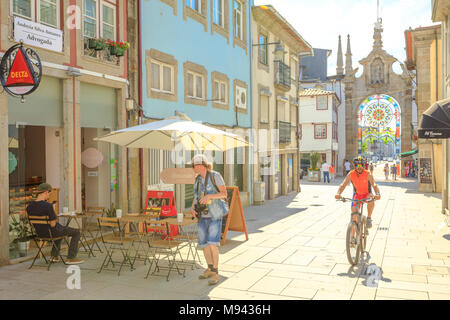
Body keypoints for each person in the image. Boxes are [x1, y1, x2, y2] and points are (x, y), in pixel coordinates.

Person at [190, 154, 229, 286]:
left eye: (195, 165)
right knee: (204, 244)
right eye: (193, 165)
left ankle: (216, 272)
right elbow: (196, 197)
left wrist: (210, 196)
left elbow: (224, 194)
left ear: (203, 165)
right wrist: (192, 207)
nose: (194, 167)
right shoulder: (197, 180)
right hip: (202, 215)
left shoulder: (215, 175)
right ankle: (209, 268)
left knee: (212, 243)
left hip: (214, 214)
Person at [26, 183, 84, 264]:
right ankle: (71, 258)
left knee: (60, 230)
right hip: (51, 232)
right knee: (76, 232)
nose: (49, 196)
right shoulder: (48, 206)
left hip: (40, 233)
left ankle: (54, 256)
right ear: (46, 192)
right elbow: (53, 225)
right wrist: (52, 210)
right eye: (49, 193)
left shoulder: (29, 206)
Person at [335, 156, 381, 229]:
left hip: (367, 194)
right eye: (357, 165)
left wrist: (378, 194)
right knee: (354, 216)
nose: (359, 167)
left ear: (363, 165)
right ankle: (353, 237)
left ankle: (369, 218)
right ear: (354, 165)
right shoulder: (351, 174)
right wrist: (338, 193)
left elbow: (374, 185)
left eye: (361, 165)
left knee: (371, 200)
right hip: (357, 195)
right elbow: (343, 184)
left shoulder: (368, 174)